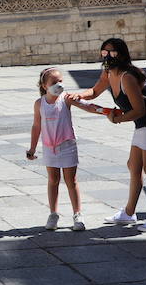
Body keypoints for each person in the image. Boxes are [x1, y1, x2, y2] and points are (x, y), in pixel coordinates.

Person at [70, 38, 146, 232]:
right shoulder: (108, 72)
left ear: (122, 53)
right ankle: (129, 212)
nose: (107, 56)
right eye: (104, 52)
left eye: (112, 52)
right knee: (133, 165)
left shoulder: (128, 77)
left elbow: (139, 110)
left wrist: (117, 119)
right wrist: (79, 95)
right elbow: (94, 91)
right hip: (142, 122)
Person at [26, 67, 106, 231]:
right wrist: (32, 149)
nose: (59, 85)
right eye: (54, 82)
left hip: (67, 145)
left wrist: (107, 111)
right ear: (44, 85)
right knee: (53, 180)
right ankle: (53, 214)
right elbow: (36, 126)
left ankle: (78, 214)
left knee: (71, 180)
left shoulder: (67, 98)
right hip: (50, 148)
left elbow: (88, 106)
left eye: (61, 81)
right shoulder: (39, 104)